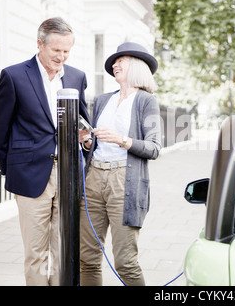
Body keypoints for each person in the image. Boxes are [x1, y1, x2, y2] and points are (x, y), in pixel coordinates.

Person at [0, 17, 90, 286]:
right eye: (56, 50)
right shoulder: (13, 76)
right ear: (39, 44)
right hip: (30, 174)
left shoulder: (77, 77)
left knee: (64, 249)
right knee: (36, 252)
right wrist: (11, 169)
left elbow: (84, 123)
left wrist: (87, 141)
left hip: (68, 174)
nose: (62, 56)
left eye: (67, 50)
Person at [78, 42, 161, 286]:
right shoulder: (103, 100)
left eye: (121, 60)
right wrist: (86, 142)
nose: (115, 64)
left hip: (124, 181)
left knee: (125, 262)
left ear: (136, 65)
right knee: (87, 258)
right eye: (114, 61)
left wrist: (121, 139)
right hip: (93, 179)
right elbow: (93, 144)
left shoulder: (146, 101)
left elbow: (154, 148)